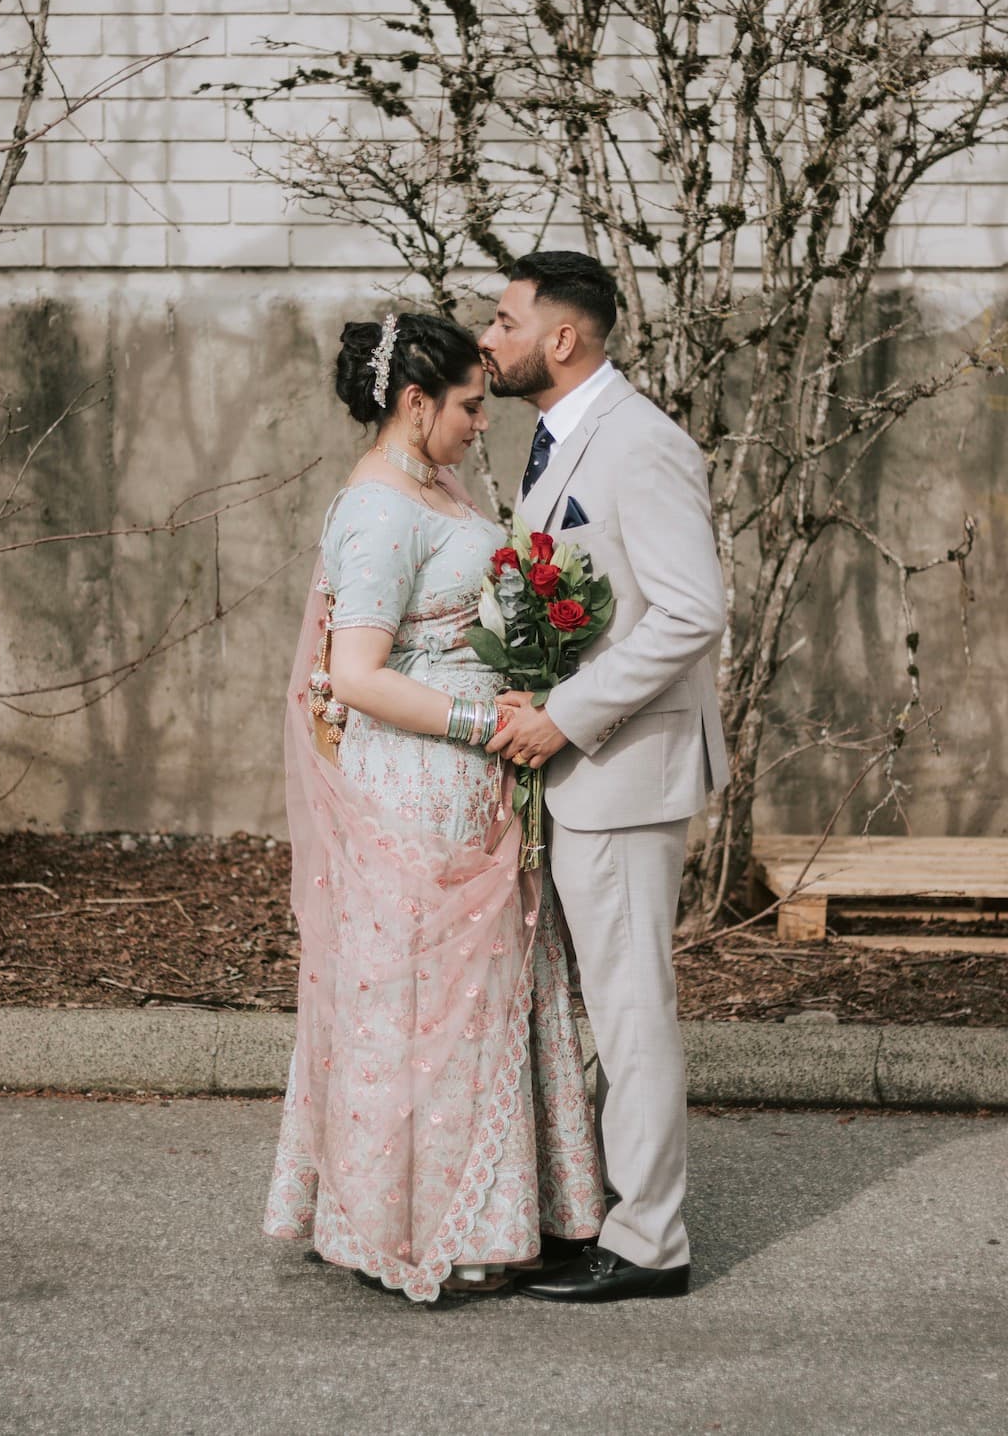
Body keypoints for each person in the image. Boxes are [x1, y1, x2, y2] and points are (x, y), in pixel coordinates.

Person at [264, 311, 604, 1304]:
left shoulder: (437, 484)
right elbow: (355, 673)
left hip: (471, 782)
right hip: (413, 787)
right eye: (463, 406)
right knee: (419, 1006)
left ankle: (504, 1213)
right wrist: (477, 720)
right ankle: (412, 1219)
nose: (476, 423)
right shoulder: (377, 511)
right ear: (414, 403)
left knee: (488, 993)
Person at [480, 251, 729, 1304]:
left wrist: (567, 716)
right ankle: (611, 1210)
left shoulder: (640, 446)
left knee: (632, 1008)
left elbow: (691, 608)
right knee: (610, 1004)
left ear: (562, 338)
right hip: (588, 770)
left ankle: (649, 1243)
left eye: (503, 320)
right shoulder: (558, 440)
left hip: (625, 770)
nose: (488, 338)